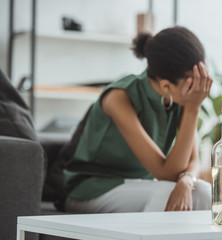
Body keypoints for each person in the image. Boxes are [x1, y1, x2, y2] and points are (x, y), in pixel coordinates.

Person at [63, 26, 213, 213]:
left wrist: (186, 180)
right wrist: (193, 108)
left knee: (206, 193)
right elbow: (165, 173)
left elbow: (194, 160)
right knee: (165, 195)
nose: (201, 88)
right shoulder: (119, 98)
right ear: (166, 85)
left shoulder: (182, 96)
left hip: (140, 185)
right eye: (195, 82)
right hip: (91, 189)